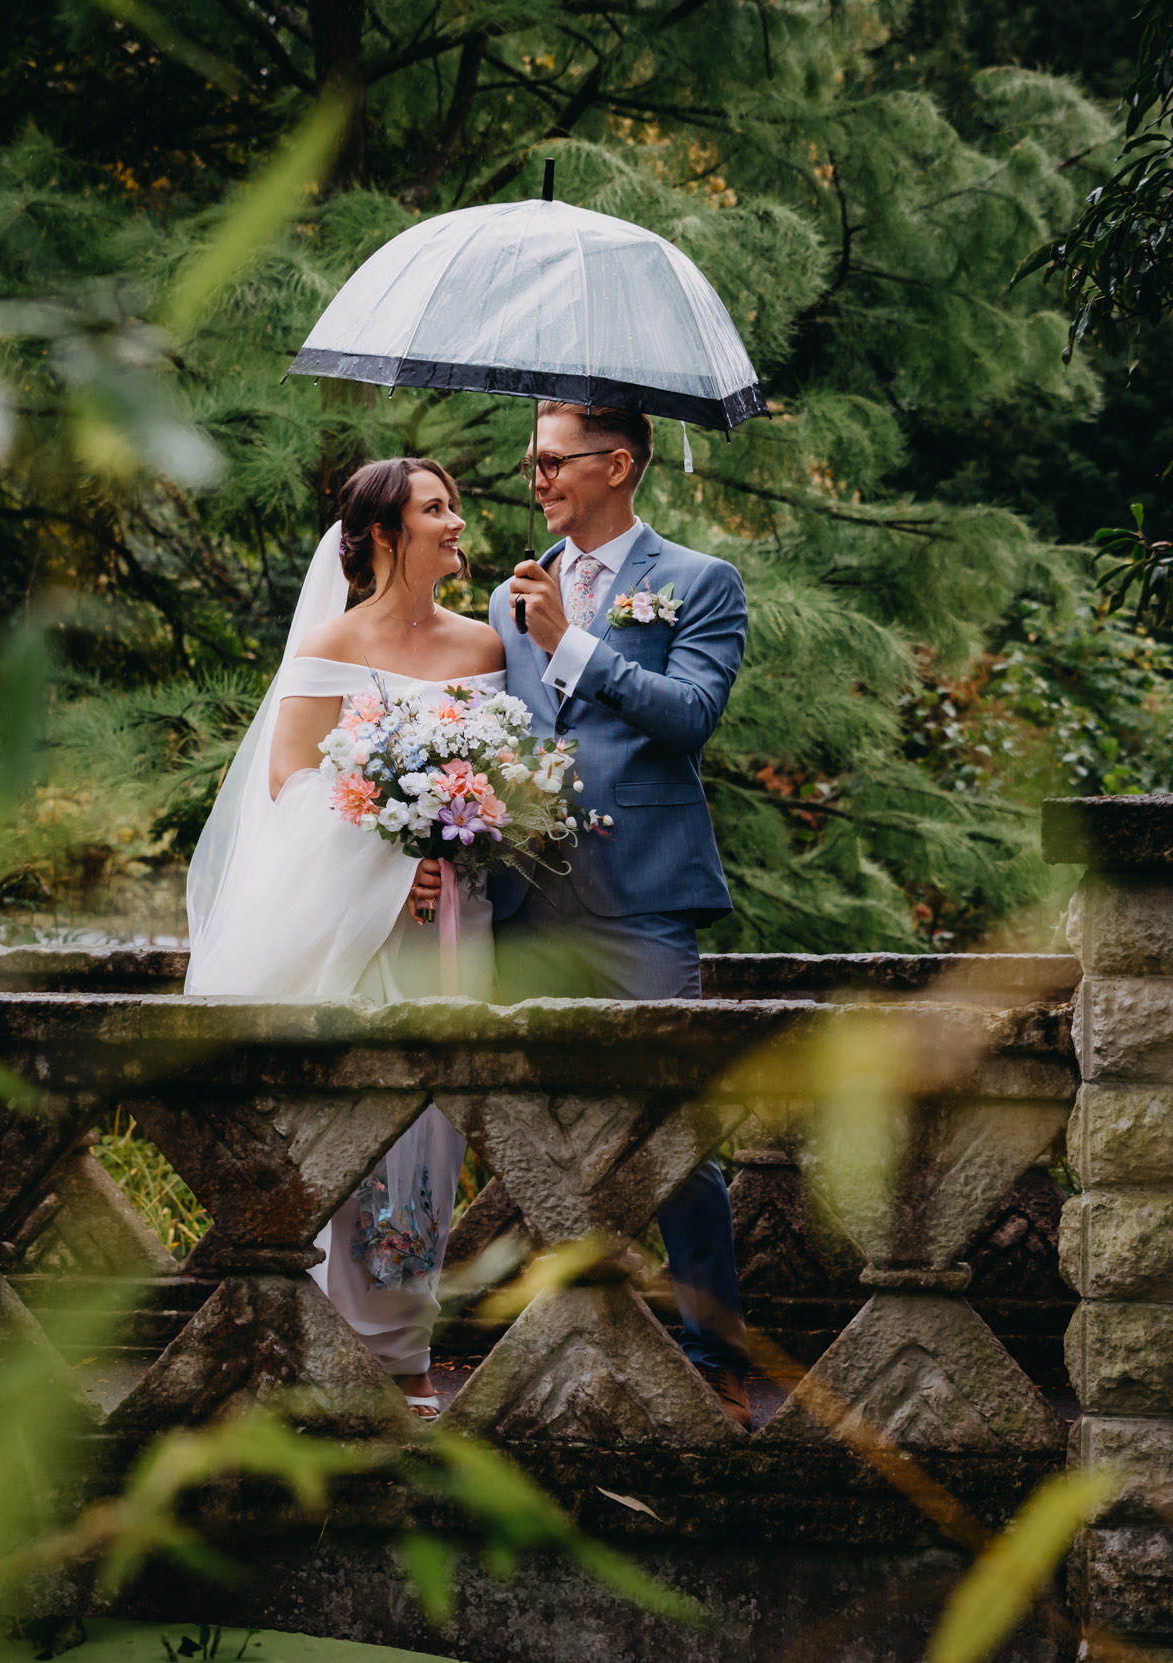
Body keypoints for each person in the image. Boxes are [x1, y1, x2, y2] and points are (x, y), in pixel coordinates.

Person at [183, 456, 500, 1419]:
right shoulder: (326, 644)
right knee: (351, 1125)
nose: (455, 523)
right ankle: (325, 1341)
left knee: (431, 1133)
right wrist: (392, 853)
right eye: (435, 509)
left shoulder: (487, 648)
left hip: (451, 926)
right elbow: (291, 786)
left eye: (451, 506)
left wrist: (462, 833)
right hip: (356, 930)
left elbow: (506, 776)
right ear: (380, 536)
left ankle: (403, 1351)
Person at [487, 401, 756, 1429]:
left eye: (552, 461)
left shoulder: (699, 582)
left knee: (675, 1131)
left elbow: (690, 719)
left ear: (618, 464)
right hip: (525, 897)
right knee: (537, 1130)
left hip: (642, 893)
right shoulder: (517, 584)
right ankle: (561, 1344)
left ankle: (715, 1361)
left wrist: (572, 645)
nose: (537, 479)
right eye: (533, 463)